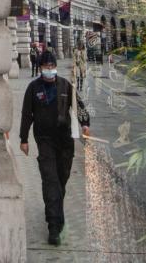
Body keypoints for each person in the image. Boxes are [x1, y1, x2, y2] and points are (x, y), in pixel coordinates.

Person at [19, 54, 90, 246]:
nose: (49, 68)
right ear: (40, 67)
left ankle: (56, 210)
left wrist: (85, 124)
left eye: (52, 65)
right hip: (44, 140)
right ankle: (53, 225)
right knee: (50, 180)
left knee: (61, 179)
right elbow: (27, 114)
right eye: (46, 66)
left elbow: (79, 106)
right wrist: (23, 139)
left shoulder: (66, 85)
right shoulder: (33, 88)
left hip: (65, 141)